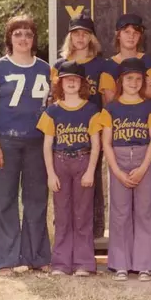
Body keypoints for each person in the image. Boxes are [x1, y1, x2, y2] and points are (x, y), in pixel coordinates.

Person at [0, 14, 51, 275]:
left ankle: (36, 255)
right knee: (5, 199)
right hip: (6, 141)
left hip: (36, 142)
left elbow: (52, 107)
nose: (23, 38)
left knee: (36, 199)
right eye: (17, 33)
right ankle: (5, 258)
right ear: (10, 38)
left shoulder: (44, 68)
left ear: (34, 39)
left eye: (28, 34)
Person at [98, 57, 151, 281]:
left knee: (144, 212)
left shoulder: (149, 107)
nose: (134, 83)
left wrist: (144, 167)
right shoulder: (111, 108)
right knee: (120, 213)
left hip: (144, 158)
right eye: (129, 78)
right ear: (120, 81)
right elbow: (106, 142)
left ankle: (145, 264)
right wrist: (116, 171)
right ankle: (121, 264)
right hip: (119, 159)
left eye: (138, 79)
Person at [37, 61, 101, 277]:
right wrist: (50, 173)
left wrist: (91, 170)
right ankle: (61, 263)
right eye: (67, 79)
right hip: (60, 161)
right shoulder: (53, 111)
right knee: (62, 214)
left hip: (83, 160)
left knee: (83, 214)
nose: (71, 82)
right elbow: (47, 144)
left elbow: (96, 144)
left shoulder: (91, 109)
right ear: (60, 83)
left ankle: (83, 263)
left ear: (82, 83)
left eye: (76, 79)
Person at [51, 13, 107, 239]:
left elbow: (107, 100)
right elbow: (54, 99)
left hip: (92, 130)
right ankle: (65, 233)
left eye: (85, 33)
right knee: (64, 187)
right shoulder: (59, 65)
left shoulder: (101, 65)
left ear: (92, 38)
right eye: (76, 34)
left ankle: (93, 233)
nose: (80, 38)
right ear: (69, 37)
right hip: (65, 131)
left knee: (91, 180)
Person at [99, 13, 151, 105]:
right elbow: (110, 100)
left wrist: (120, 88)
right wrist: (142, 86)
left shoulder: (147, 61)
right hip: (119, 117)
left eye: (135, 33)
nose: (131, 36)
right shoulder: (108, 65)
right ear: (118, 34)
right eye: (127, 32)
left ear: (140, 36)